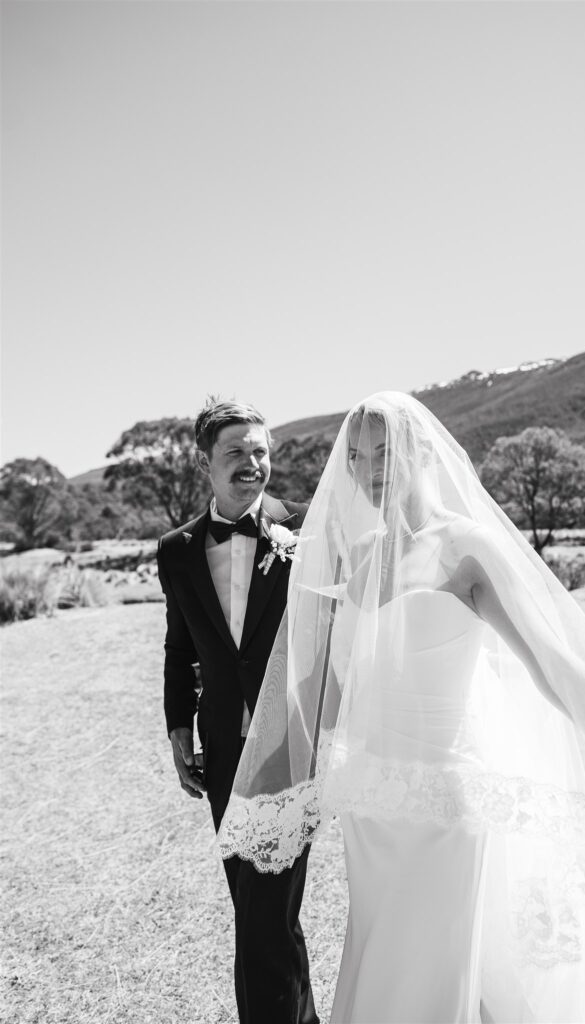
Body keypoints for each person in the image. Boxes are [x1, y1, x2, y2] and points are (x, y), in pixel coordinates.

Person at [217, 391, 585, 1024]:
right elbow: (328, 701)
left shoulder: (467, 547)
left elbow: (553, 664)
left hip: (449, 807)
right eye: (356, 455)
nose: (370, 466)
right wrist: (269, 764)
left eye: (385, 451)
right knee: (385, 971)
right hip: (372, 815)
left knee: (445, 977)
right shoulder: (359, 562)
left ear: (423, 452)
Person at [156, 399, 318, 1024]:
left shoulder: (306, 527)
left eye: (260, 452)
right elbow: (179, 647)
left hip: (290, 741)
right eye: (236, 454)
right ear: (206, 464)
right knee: (259, 906)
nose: (252, 465)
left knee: (264, 906)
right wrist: (178, 728)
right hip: (222, 747)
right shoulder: (176, 550)